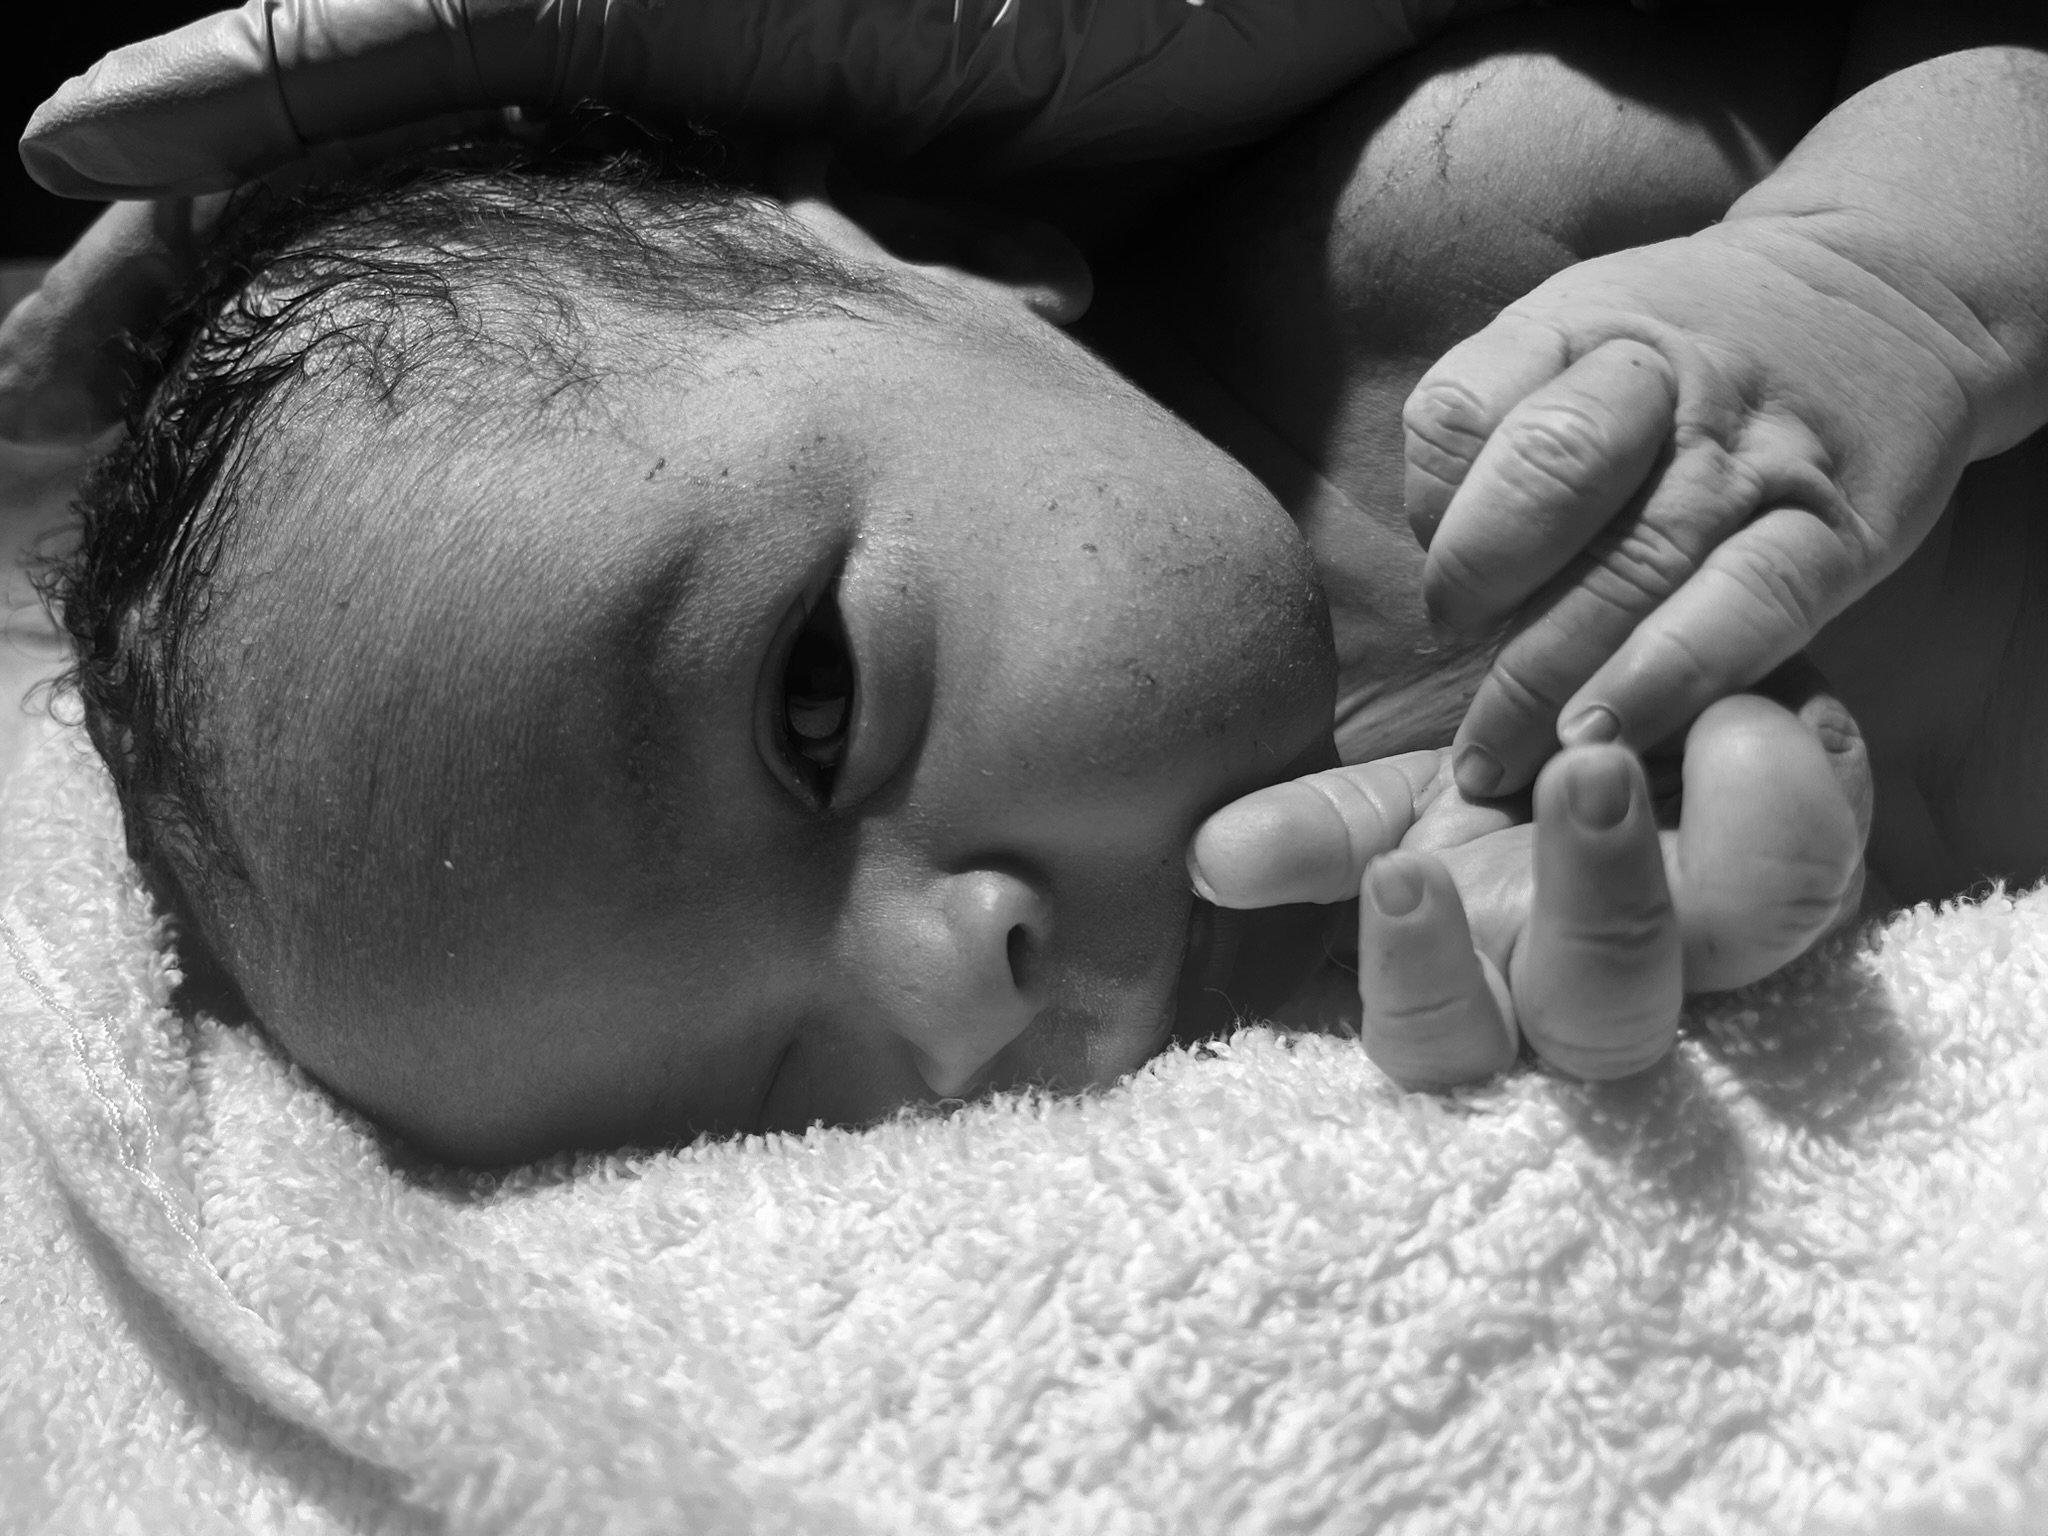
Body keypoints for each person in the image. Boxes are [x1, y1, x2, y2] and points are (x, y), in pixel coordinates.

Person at [40, 5, 1915, 1167]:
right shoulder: (1333, 1007)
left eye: (813, 707)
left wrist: (1884, 275)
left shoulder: (1452, 227)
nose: (948, 996)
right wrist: (1634, 946)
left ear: (944, 263)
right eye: (774, 1099)